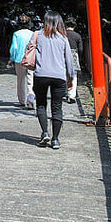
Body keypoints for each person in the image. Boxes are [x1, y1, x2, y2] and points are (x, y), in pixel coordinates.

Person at [33, 11, 75, 149]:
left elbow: (29, 50)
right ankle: (55, 139)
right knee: (57, 107)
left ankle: (45, 132)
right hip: (59, 76)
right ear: (58, 22)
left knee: (41, 104)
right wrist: (70, 78)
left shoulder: (38, 35)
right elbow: (69, 60)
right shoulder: (63, 38)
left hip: (41, 75)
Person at [9, 15, 35, 108]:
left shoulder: (16, 34)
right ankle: (30, 97)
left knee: (20, 80)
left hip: (19, 59)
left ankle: (22, 100)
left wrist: (11, 58)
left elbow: (14, 48)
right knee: (30, 79)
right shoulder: (33, 34)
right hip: (30, 59)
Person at [65, 19, 84, 104]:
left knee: (64, 74)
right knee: (74, 75)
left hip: (64, 54)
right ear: (74, 26)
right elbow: (80, 49)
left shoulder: (63, 35)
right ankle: (72, 95)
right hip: (73, 55)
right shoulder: (77, 36)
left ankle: (66, 91)